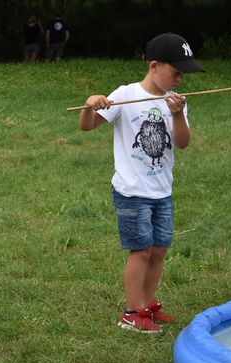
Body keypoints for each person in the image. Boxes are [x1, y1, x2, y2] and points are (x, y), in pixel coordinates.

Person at [78, 33, 204, 333]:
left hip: (162, 190)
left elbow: (182, 143)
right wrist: (89, 105)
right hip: (132, 191)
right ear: (154, 66)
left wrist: (177, 115)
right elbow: (86, 125)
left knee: (159, 250)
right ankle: (132, 313)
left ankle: (147, 305)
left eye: (183, 74)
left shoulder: (175, 102)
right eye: (176, 72)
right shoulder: (126, 94)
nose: (180, 79)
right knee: (142, 251)